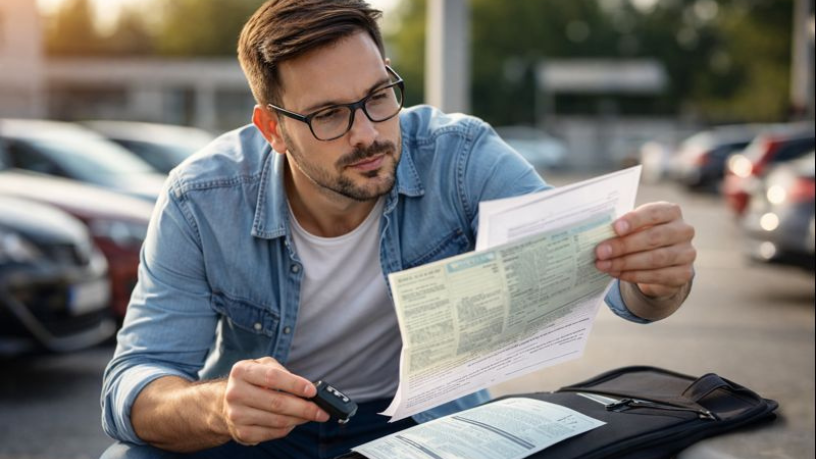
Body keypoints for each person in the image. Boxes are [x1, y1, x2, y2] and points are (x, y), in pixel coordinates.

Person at [100, 1, 696, 458]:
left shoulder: (459, 157)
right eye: (328, 114)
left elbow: (606, 277)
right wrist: (217, 408)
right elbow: (133, 381)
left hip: (421, 423)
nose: (368, 134)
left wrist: (656, 280)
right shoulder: (201, 199)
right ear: (273, 129)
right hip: (262, 434)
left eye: (378, 96)